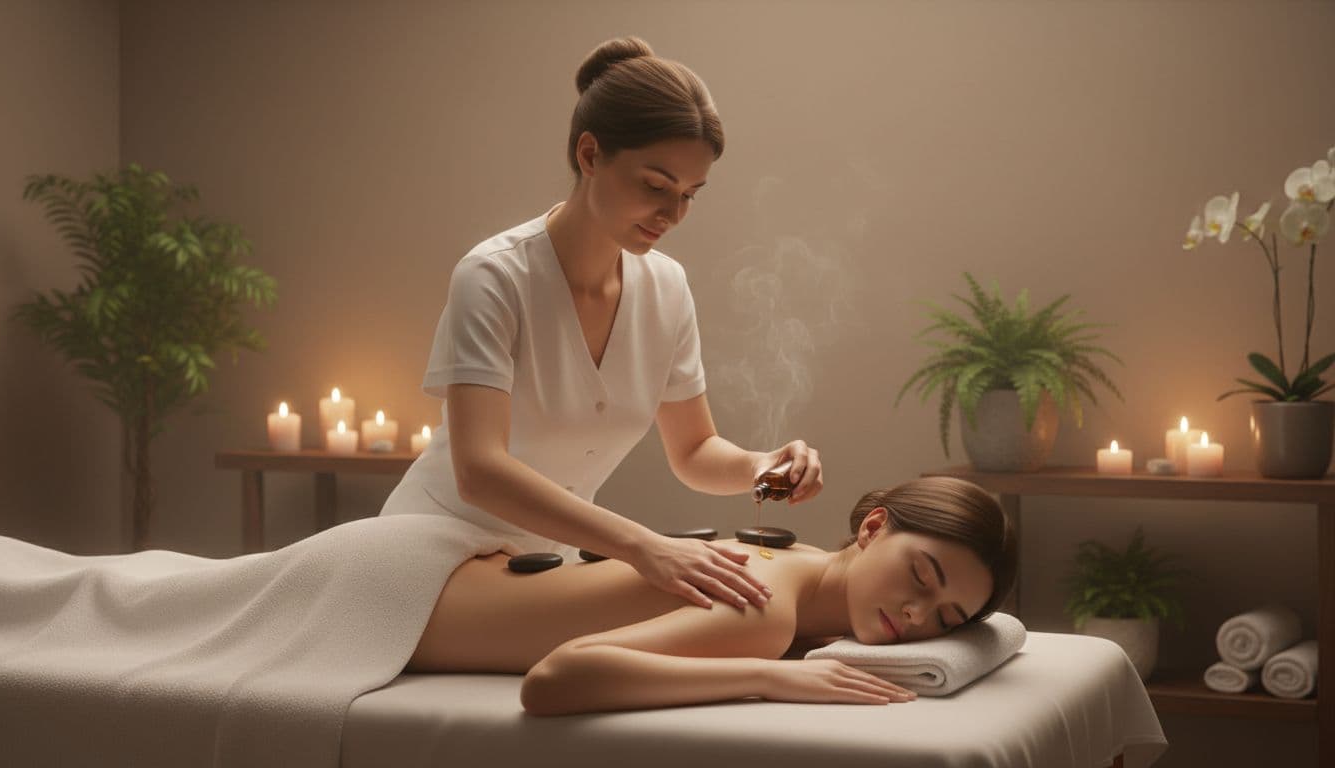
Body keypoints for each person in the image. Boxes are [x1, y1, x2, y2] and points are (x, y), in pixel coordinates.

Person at [380, 35, 824, 612]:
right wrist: (644, 546)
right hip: (429, 554)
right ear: (589, 155)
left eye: (691, 194)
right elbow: (480, 472)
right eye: (655, 186)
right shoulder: (493, 277)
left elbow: (693, 451)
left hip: (545, 567)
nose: (673, 214)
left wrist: (761, 468)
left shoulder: (666, 289)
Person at [405, 476, 1018, 716]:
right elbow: (553, 680)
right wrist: (769, 677)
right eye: (921, 576)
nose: (917, 616)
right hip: (396, 598)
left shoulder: (803, 563)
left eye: (947, 619)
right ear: (874, 527)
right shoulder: (766, 611)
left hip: (437, 561)